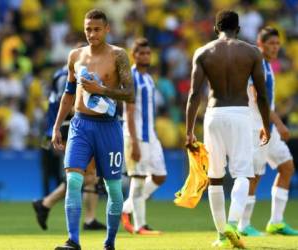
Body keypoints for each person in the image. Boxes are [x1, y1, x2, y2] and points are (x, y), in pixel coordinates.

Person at [185, 10, 270, 249]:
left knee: (214, 176)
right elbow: (262, 95)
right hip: (241, 115)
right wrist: (265, 124)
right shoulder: (252, 52)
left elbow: (193, 96)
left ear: (215, 29)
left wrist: (189, 131)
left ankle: (222, 235)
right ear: (239, 29)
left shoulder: (203, 52)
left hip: (214, 115)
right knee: (243, 174)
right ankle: (233, 223)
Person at [51, 9, 134, 250]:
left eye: (97, 29)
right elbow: (68, 94)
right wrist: (57, 127)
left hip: (108, 127)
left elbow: (129, 93)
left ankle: (109, 242)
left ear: (107, 29)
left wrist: (102, 91)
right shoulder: (75, 56)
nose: (92, 33)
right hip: (80, 125)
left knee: (113, 188)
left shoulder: (119, 55)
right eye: (88, 29)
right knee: (74, 180)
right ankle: (72, 241)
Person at [238, 27, 298, 236]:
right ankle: (243, 225)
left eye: (277, 43)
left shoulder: (268, 66)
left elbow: (267, 102)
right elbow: (258, 100)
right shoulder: (256, 66)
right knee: (254, 176)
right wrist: (280, 124)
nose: (275, 47)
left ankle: (276, 221)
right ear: (260, 44)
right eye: (270, 43)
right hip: (257, 128)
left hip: (268, 128)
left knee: (287, 166)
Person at [32, 65, 106, 231]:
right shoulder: (65, 76)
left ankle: (89, 219)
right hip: (66, 129)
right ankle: (45, 204)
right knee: (82, 175)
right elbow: (65, 105)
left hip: (71, 128)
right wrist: (98, 107)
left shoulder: (63, 74)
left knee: (89, 175)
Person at [120, 38, 167, 235]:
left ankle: (126, 208)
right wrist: (134, 142)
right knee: (138, 179)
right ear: (134, 55)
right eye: (141, 53)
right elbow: (129, 112)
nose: (145, 56)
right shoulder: (130, 78)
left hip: (151, 135)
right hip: (136, 135)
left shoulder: (148, 77)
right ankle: (140, 226)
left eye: (148, 53)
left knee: (159, 176)